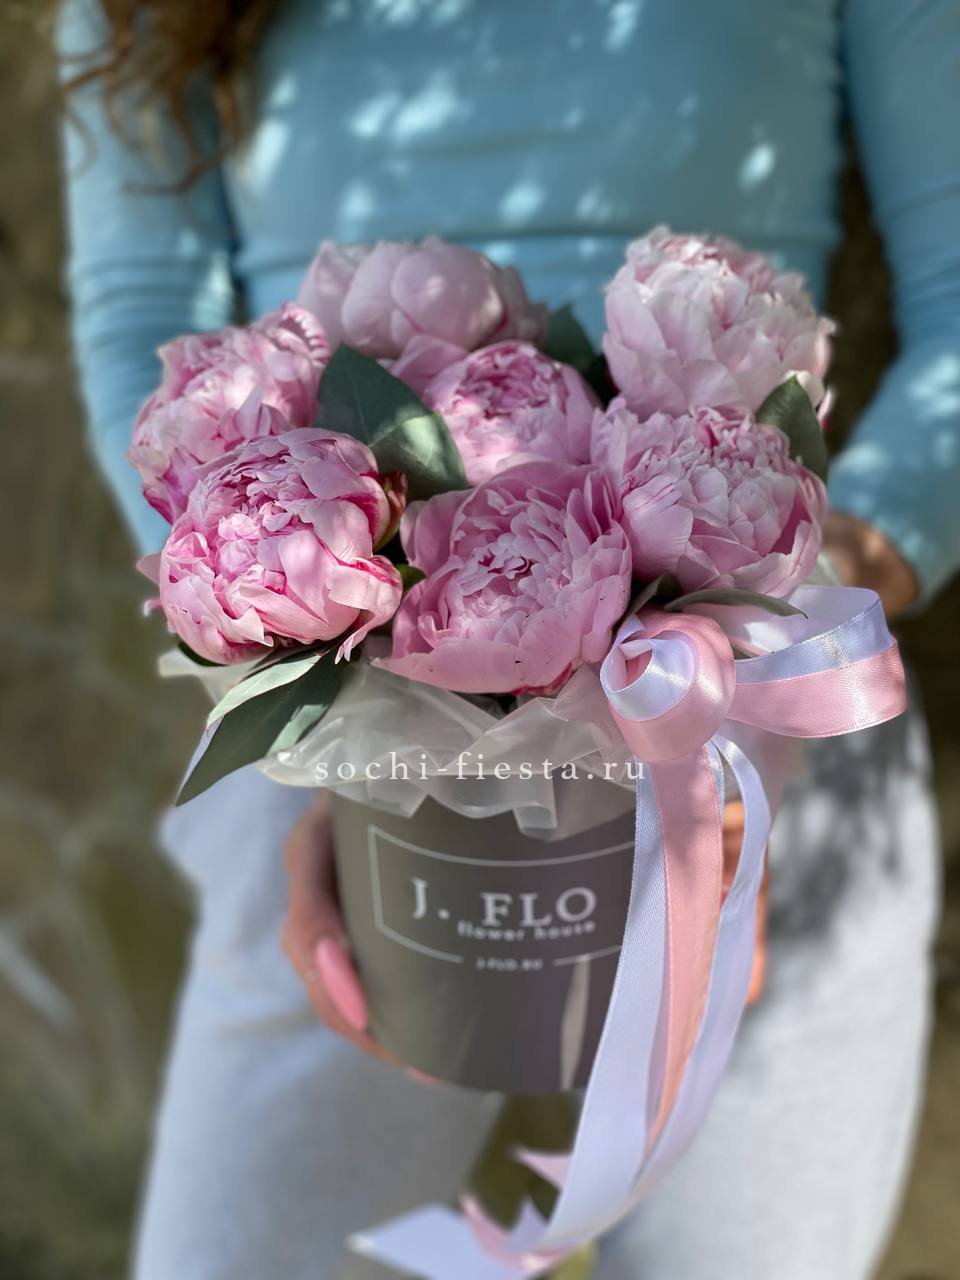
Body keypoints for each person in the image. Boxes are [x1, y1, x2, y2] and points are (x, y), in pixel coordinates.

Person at [57, 1, 955, 1276]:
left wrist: (767, 630)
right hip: (338, 746)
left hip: (757, 715)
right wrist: (313, 684)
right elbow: (140, 319)